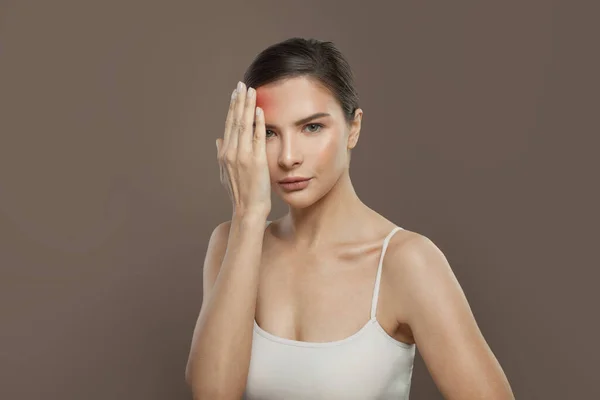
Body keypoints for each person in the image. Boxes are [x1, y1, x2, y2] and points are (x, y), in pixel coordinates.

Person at [185, 37, 515, 399]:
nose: (288, 157)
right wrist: (248, 217)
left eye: (312, 127)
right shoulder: (230, 243)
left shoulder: (407, 262)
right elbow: (212, 394)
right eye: (268, 133)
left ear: (353, 128)